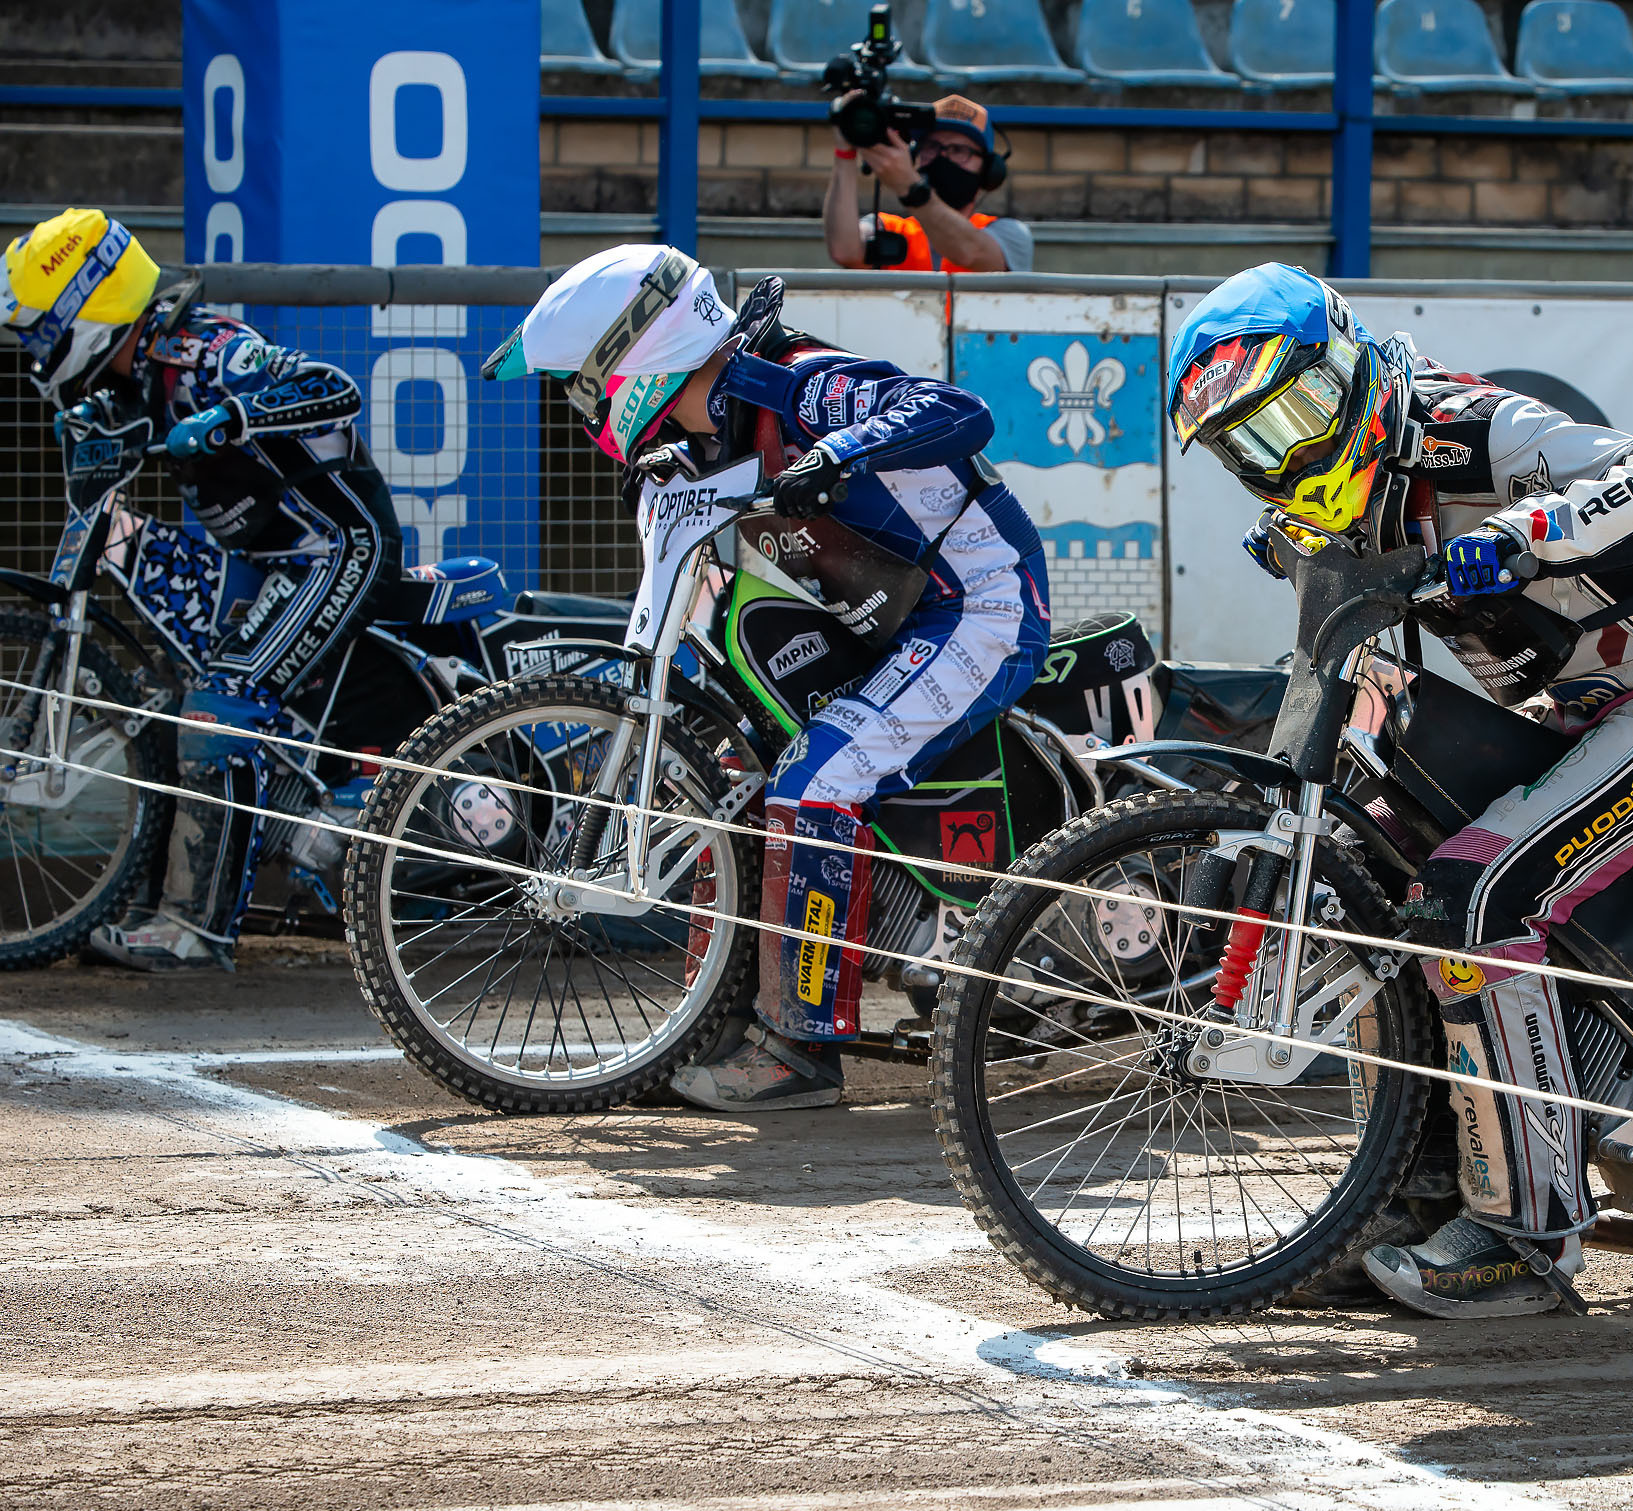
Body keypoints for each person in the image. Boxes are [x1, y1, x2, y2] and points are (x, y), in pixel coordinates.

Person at [1166, 263, 1633, 1321]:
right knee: (1375, 887)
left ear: (1350, 368)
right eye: (1256, 445)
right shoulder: (1340, 507)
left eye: (1301, 414)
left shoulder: (1475, 432)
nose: (1290, 456)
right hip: (1562, 721)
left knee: (1476, 895)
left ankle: (1524, 1234)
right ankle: (1401, 1203)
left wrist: (1525, 534)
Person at [483, 244, 1049, 1110]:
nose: (580, 407)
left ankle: (801, 1050)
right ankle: (704, 1031)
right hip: (882, 618)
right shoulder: (702, 433)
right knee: (739, 782)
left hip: (979, 604)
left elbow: (958, 410)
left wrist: (841, 450)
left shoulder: (796, 383)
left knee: (815, 784)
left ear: (631, 360)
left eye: (581, 384)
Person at [0, 208, 398, 970]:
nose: (36, 353)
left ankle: (196, 931)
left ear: (85, 310)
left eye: (40, 333)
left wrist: (233, 415)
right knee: (166, 694)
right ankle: (145, 905)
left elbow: (335, 389)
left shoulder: (206, 351)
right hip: (267, 561)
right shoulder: (131, 376)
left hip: (334, 550)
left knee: (223, 701)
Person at [822, 95, 1033, 276]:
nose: (943, 157)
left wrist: (909, 186)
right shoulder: (890, 229)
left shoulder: (1010, 234)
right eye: (932, 146)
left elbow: (969, 253)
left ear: (988, 171)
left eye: (958, 150)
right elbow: (845, 250)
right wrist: (845, 152)